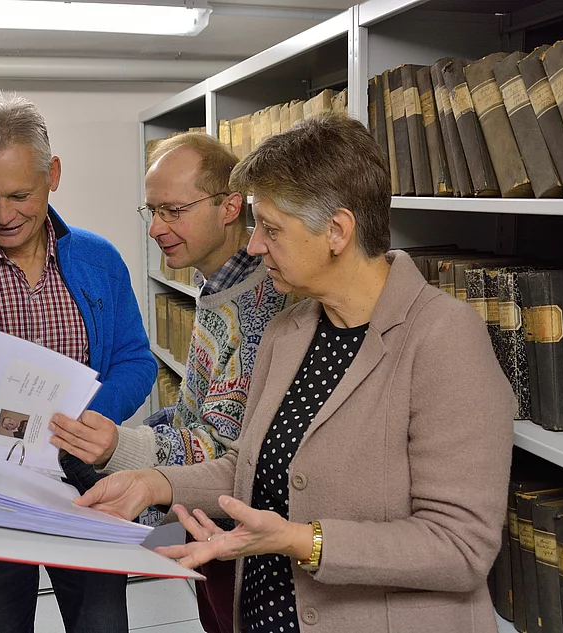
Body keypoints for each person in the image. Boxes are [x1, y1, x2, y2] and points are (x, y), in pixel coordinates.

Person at [75, 115, 516, 633]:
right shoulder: (291, 329)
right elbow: (249, 466)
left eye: (271, 228)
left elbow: (461, 547)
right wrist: (153, 484)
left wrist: (299, 540)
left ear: (337, 232)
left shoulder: (444, 337)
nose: (254, 246)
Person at [0, 94, 157, 633]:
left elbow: (135, 359)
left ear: (53, 175)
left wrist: (91, 419)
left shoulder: (99, 261)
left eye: (20, 195)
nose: (3, 216)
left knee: (101, 624)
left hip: (86, 484)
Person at [47, 132, 291, 633]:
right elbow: (198, 411)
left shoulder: (263, 310)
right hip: (207, 530)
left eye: (173, 211)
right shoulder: (218, 285)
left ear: (230, 207)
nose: (156, 228)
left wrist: (121, 447)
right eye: (152, 211)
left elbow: (226, 451)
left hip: (240, 544)